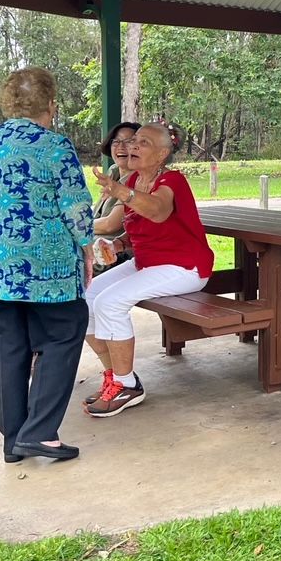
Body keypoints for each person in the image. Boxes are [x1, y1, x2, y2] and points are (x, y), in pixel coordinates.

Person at [0, 67, 93, 462]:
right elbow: (76, 208)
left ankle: (13, 441)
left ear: (7, 104)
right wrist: (88, 246)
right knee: (64, 333)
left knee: (8, 349)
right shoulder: (55, 147)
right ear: (51, 104)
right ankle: (41, 432)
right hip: (47, 273)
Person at [86, 122, 213, 415]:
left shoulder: (173, 181)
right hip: (148, 262)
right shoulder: (132, 182)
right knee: (88, 299)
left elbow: (158, 211)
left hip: (185, 267)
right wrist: (117, 245)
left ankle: (127, 385)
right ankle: (113, 378)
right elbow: (134, 229)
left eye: (142, 143)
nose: (132, 146)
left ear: (161, 155)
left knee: (110, 302)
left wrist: (119, 190)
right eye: (133, 141)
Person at [93, 121, 140, 238]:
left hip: (114, 250)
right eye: (116, 141)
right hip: (92, 241)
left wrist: (74, 227)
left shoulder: (140, 180)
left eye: (129, 141)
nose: (121, 147)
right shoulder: (113, 171)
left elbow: (110, 225)